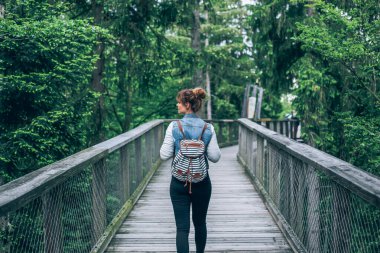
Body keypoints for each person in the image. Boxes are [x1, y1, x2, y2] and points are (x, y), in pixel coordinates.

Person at [160, 88, 221, 253]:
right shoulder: (208, 128)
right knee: (200, 224)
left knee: (182, 229)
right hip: (201, 183)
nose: (177, 105)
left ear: (187, 105)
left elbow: (164, 155)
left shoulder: (174, 126)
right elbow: (215, 157)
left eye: (179, 102)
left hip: (179, 184)